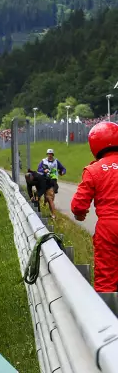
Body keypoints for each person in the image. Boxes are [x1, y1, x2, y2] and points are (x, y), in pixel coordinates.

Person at [72, 122, 118, 293]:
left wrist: (80, 215)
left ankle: (108, 317)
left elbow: (78, 205)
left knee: (106, 278)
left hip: (108, 228)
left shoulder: (94, 170)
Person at [36, 148, 67, 218]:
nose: (50, 155)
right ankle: (52, 212)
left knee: (50, 197)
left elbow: (63, 168)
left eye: (51, 154)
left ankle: (51, 210)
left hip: (53, 180)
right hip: (45, 180)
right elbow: (38, 169)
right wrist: (44, 171)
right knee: (49, 197)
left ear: (53, 155)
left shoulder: (56, 161)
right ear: (47, 154)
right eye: (48, 154)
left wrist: (63, 172)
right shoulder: (43, 161)